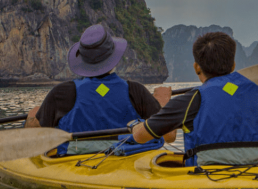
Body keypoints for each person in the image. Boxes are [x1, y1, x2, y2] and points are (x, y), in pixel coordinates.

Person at [131, 31, 258, 166]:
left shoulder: (191, 100)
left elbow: (140, 137)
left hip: (209, 178)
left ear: (197, 67)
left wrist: (136, 124)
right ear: (233, 65)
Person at [25, 23, 175, 156]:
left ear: (82, 60)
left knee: (35, 116)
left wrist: (34, 116)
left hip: (74, 164)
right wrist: (163, 102)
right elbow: (169, 136)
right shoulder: (136, 92)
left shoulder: (61, 94)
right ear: (113, 58)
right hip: (126, 165)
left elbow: (33, 134)